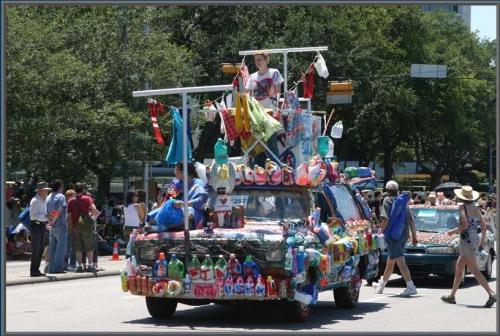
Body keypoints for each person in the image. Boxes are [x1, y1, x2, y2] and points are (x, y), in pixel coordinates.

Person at [441, 186, 496, 307]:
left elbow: (464, 225)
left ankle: (491, 294)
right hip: (474, 239)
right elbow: (483, 225)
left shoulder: (462, 207)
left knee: (474, 270)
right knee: (459, 267)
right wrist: (481, 241)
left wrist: (452, 231)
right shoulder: (476, 208)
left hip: (466, 241)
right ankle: (452, 295)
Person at [372, 180, 418, 296]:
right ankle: (381, 286)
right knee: (391, 261)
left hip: (393, 236)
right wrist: (414, 236)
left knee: (400, 261)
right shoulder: (403, 202)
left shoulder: (387, 200)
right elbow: (411, 221)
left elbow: (385, 219)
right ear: (397, 191)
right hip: (403, 235)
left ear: (387, 191)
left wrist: (380, 233)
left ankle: (411, 286)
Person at [67, 182, 98, 273]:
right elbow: (94, 209)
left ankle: (79, 266)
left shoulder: (71, 201)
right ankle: (90, 265)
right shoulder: (87, 199)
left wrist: (70, 228)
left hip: (76, 225)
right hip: (86, 225)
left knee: (78, 247)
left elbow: (69, 217)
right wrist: (93, 215)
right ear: (83, 189)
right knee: (89, 246)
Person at [171, 162, 209, 230]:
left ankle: (176, 225)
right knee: (157, 207)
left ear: (185, 172)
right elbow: (169, 198)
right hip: (179, 211)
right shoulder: (177, 184)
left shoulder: (198, 183)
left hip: (196, 214)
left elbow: (201, 201)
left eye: (177, 170)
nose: (175, 172)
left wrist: (183, 204)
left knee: (188, 210)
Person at [29, 181, 51, 277]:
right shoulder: (34, 201)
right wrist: (46, 216)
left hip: (41, 226)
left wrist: (46, 219)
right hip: (36, 226)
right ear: (40, 191)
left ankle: (36, 270)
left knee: (41, 249)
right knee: (36, 249)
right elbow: (33, 216)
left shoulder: (43, 200)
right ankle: (33, 271)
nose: (47, 192)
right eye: (46, 190)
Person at [45, 180, 68, 274]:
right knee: (61, 248)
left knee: (52, 248)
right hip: (60, 224)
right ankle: (58, 268)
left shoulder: (48, 196)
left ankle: (51, 267)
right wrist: (53, 221)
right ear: (60, 187)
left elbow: (46, 212)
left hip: (51, 226)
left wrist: (49, 222)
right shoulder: (60, 196)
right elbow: (58, 211)